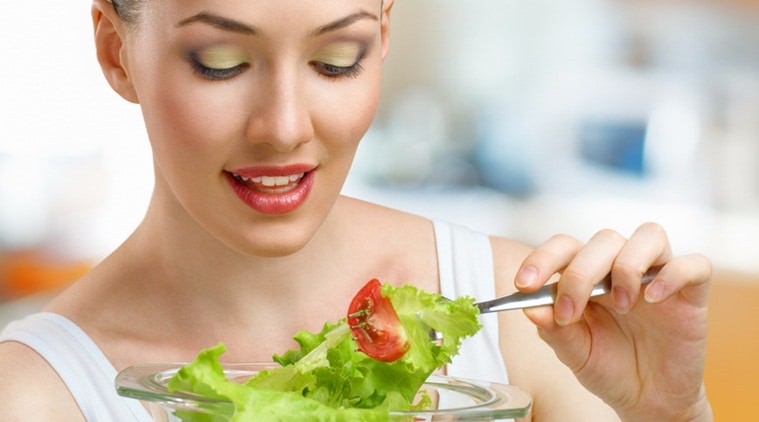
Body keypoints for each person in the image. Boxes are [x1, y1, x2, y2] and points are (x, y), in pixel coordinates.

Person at [0, 0, 713, 420]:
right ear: (114, 51)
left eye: (337, 58)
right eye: (220, 61)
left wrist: (668, 414)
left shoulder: (533, 322)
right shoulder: (35, 395)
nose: (282, 126)